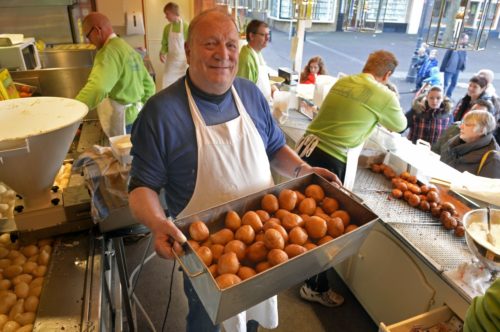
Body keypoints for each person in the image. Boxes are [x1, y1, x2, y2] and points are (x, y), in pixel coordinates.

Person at [127, 8, 340, 332]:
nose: (222, 55)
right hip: (204, 254)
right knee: (207, 322)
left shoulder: (251, 93)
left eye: (229, 44)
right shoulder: (161, 112)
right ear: (187, 50)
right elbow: (142, 186)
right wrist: (157, 223)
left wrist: (302, 170)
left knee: (252, 319)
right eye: (210, 44)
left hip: (264, 244)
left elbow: (273, 148)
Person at [296, 50, 407, 307]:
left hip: (307, 150)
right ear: (387, 74)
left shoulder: (344, 80)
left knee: (304, 219)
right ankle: (314, 287)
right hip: (332, 160)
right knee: (327, 229)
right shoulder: (385, 95)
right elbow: (400, 125)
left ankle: (299, 272)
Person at [76, 12, 155, 138]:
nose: (89, 41)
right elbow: (149, 85)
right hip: (137, 115)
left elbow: (98, 87)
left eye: (88, 36)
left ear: (97, 31)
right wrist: (143, 110)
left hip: (124, 121)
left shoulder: (107, 52)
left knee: (123, 155)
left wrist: (74, 110)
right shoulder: (128, 49)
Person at [439, 110, 500, 179]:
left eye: (467, 124)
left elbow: (484, 189)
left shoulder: (493, 159)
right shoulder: (454, 141)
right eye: (462, 123)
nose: (460, 127)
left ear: (481, 130)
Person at [237, 20, 277, 102]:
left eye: (268, 35)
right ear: (251, 36)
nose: (267, 38)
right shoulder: (246, 58)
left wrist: (272, 87)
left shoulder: (257, 52)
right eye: (263, 35)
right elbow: (244, 93)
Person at [160, 2, 189, 89]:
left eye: (167, 14)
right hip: (171, 63)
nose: (166, 16)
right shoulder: (167, 28)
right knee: (167, 85)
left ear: (173, 12)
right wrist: (162, 53)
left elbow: (190, 45)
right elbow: (164, 43)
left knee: (183, 87)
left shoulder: (185, 26)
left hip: (183, 64)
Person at [440, 33, 468, 99]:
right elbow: (446, 58)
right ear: (461, 39)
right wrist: (442, 69)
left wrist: (463, 66)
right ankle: (441, 96)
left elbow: (464, 57)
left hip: (457, 69)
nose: (466, 41)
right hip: (449, 69)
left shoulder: (464, 48)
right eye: (465, 39)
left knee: (454, 83)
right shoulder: (452, 47)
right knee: (445, 83)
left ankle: (448, 96)